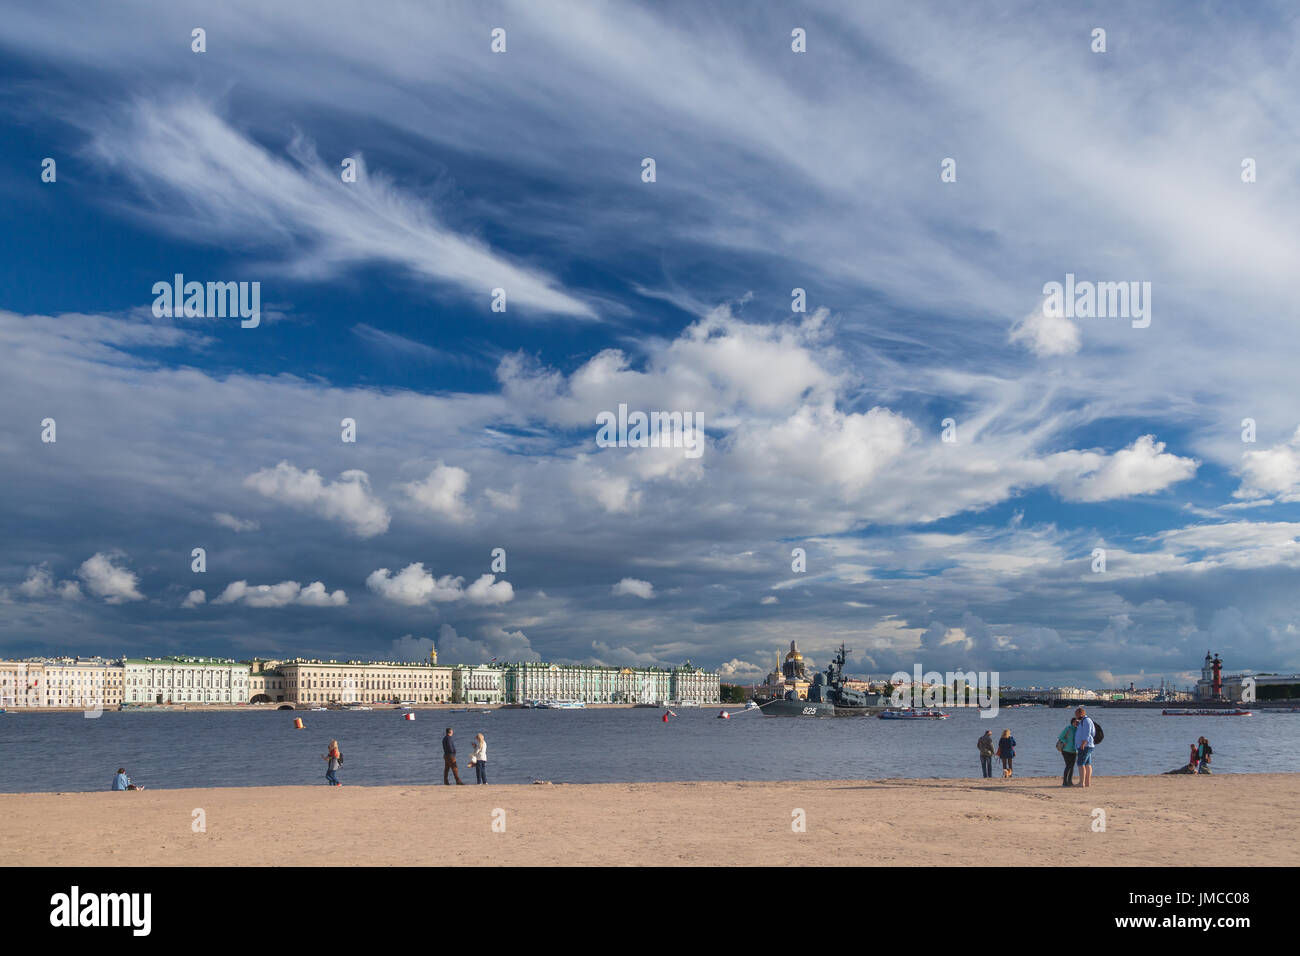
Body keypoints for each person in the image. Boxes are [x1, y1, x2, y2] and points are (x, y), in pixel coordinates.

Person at [1074, 707, 1096, 787]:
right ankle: (1087, 782)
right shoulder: (1083, 721)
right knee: (1087, 764)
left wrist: (1083, 743)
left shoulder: (1086, 721)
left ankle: (1081, 782)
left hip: (1085, 745)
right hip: (1087, 745)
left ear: (1080, 713)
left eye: (1076, 714)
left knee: (1081, 763)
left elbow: (1087, 733)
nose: (1075, 716)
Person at [1057, 717, 1079, 786]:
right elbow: (1060, 737)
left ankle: (1070, 781)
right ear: (1072, 722)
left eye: (1078, 722)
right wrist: (1065, 741)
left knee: (1072, 766)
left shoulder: (1078, 730)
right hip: (1066, 750)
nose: (1077, 723)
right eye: (1076, 722)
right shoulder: (1068, 728)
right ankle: (1064, 782)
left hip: (1074, 751)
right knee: (1068, 765)